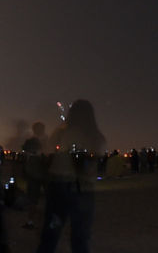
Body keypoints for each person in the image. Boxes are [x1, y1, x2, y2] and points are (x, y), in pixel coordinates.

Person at [36, 99, 105, 253]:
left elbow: (48, 151)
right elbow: (96, 162)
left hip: (58, 184)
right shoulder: (95, 136)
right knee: (80, 238)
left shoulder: (61, 132)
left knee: (50, 235)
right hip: (83, 188)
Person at [21, 121, 48, 229]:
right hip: (43, 175)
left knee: (32, 200)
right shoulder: (47, 141)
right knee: (46, 199)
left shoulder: (31, 142)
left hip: (33, 176)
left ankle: (31, 221)